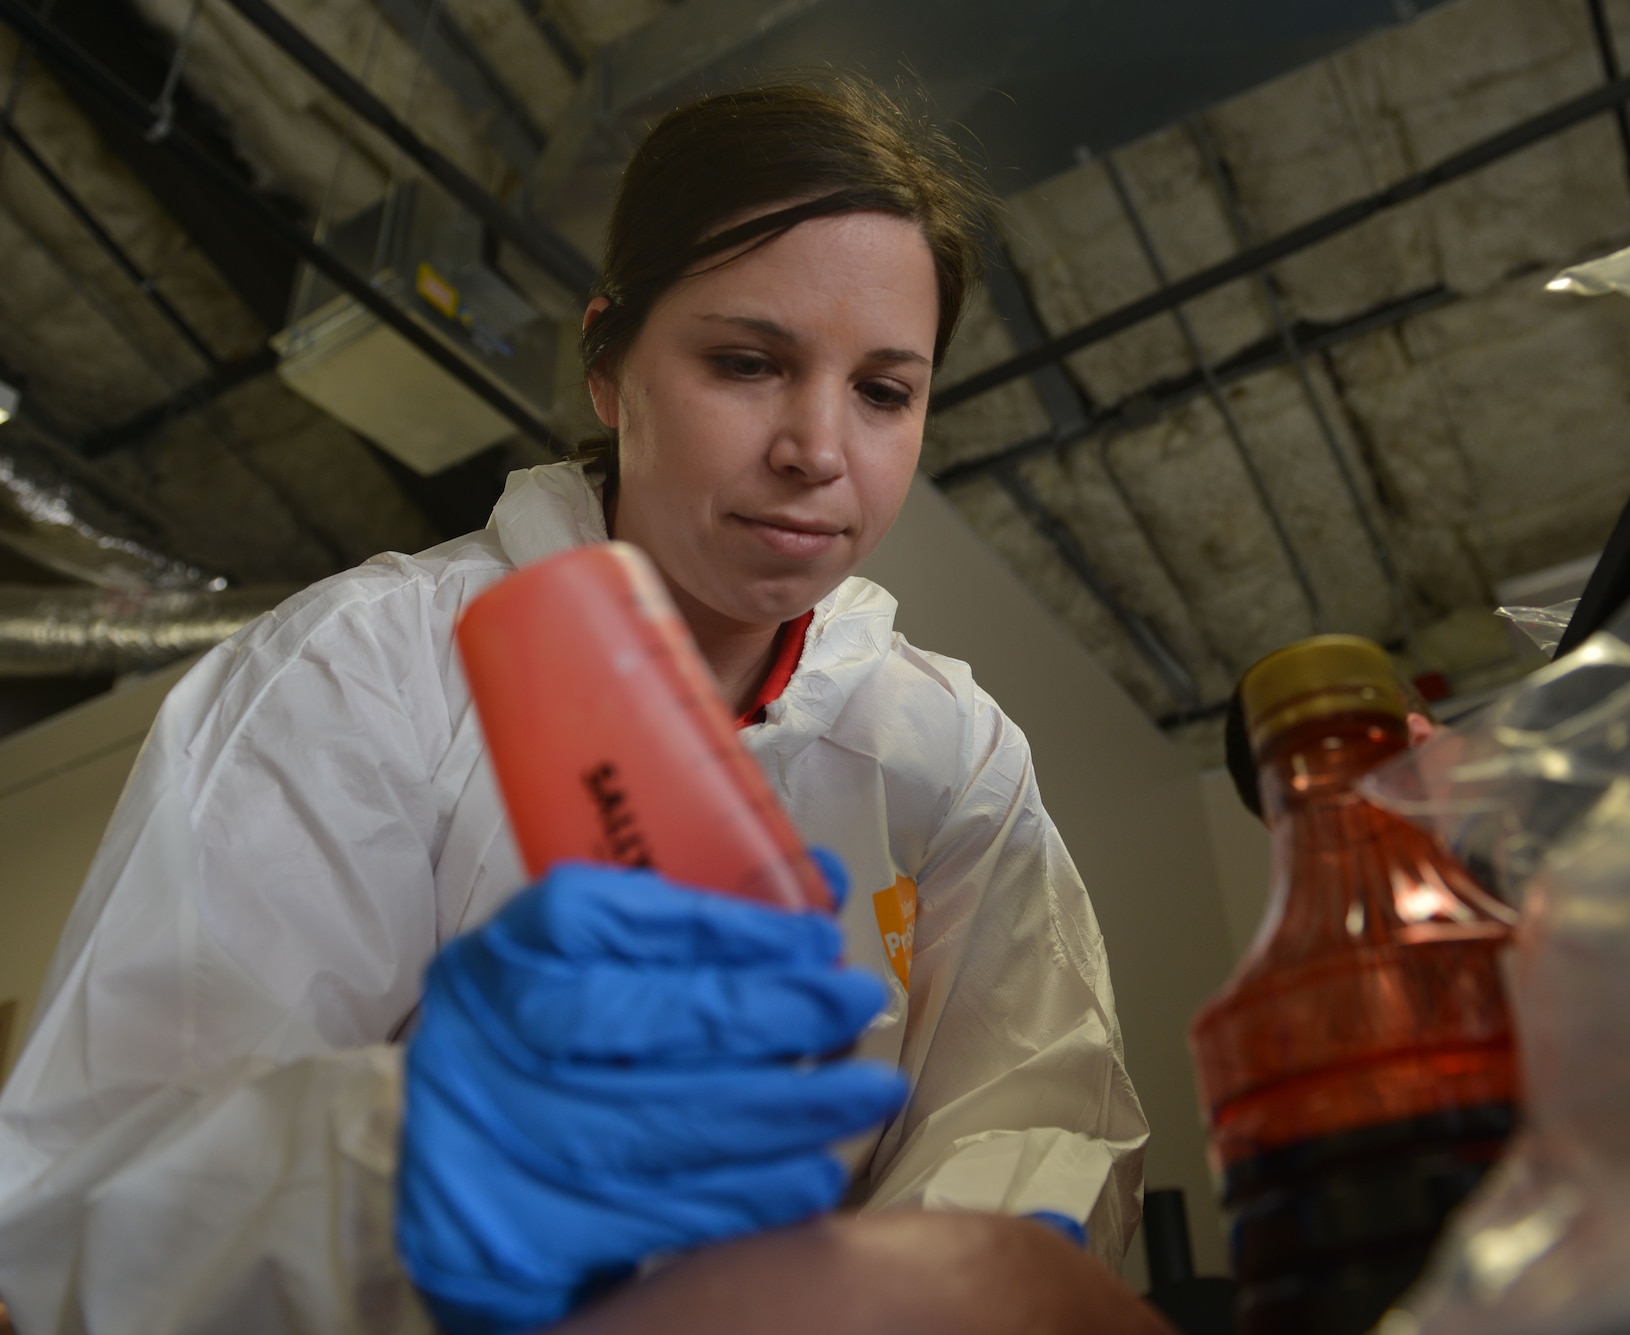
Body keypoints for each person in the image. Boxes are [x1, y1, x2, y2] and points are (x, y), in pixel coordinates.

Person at [0, 80, 1147, 1335]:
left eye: (884, 390)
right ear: (606, 365)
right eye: (746, 363)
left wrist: (941, 1286)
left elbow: (1034, 1117)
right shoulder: (356, 674)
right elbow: (73, 1221)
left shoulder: (950, 755)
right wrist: (405, 1166)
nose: (819, 446)